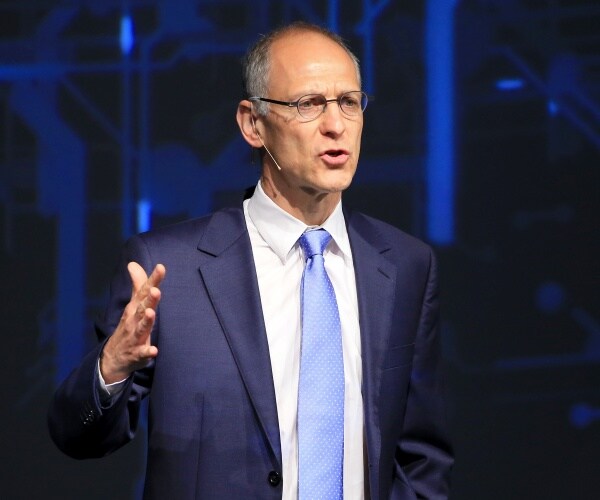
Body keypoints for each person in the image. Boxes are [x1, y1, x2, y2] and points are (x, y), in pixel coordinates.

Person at [48, 21, 453, 499]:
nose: (335, 124)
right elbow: (78, 436)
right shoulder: (169, 269)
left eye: (349, 102)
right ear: (253, 124)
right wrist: (111, 367)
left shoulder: (405, 266)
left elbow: (419, 457)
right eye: (309, 104)